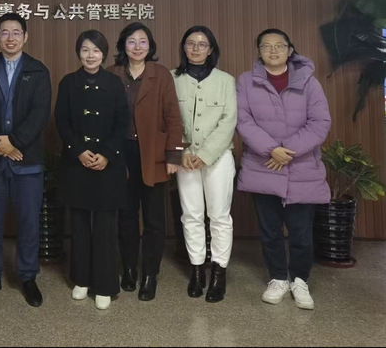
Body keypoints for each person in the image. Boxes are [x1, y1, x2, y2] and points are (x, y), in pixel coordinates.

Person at [236, 28, 331, 311]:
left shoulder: (309, 82)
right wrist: (271, 150)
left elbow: (320, 123)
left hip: (302, 168)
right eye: (266, 46)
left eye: (279, 45)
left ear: (290, 50)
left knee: (301, 233)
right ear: (259, 51)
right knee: (270, 231)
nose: (273, 51)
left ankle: (300, 280)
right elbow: (242, 121)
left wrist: (286, 151)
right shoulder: (246, 81)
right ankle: (277, 278)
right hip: (262, 166)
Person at [0, 13, 52, 307]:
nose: (11, 38)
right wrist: (1, 145)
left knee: (29, 223)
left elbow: (40, 114)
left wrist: (14, 142)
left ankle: (27, 277)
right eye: (5, 32)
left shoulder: (38, 71)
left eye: (16, 32)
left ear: (26, 37)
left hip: (28, 163)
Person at [107, 22, 183, 301]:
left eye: (142, 42)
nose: (137, 47)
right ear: (122, 46)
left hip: (153, 153)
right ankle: (129, 269)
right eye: (131, 41)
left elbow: (173, 116)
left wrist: (173, 155)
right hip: (120, 153)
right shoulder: (112, 73)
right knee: (126, 216)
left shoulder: (160, 74)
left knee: (154, 219)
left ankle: (150, 274)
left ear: (150, 46)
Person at [54, 30, 129, 310]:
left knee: (106, 227)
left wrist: (106, 154)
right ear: (78, 53)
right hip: (77, 163)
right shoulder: (68, 83)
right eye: (85, 49)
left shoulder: (114, 83)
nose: (90, 55)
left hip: (108, 164)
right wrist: (78, 151)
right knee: (80, 224)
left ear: (104, 54)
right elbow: (61, 120)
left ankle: (105, 284)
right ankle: (81, 279)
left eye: (96, 50)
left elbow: (122, 122)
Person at [172, 26, 237, 302]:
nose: (196, 48)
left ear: (211, 50)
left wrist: (206, 154)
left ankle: (219, 273)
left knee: (219, 216)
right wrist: (182, 151)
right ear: (184, 47)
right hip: (185, 158)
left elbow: (229, 120)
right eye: (190, 43)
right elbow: (168, 119)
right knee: (191, 215)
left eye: (202, 44)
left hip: (218, 158)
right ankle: (197, 270)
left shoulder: (226, 80)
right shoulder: (172, 78)